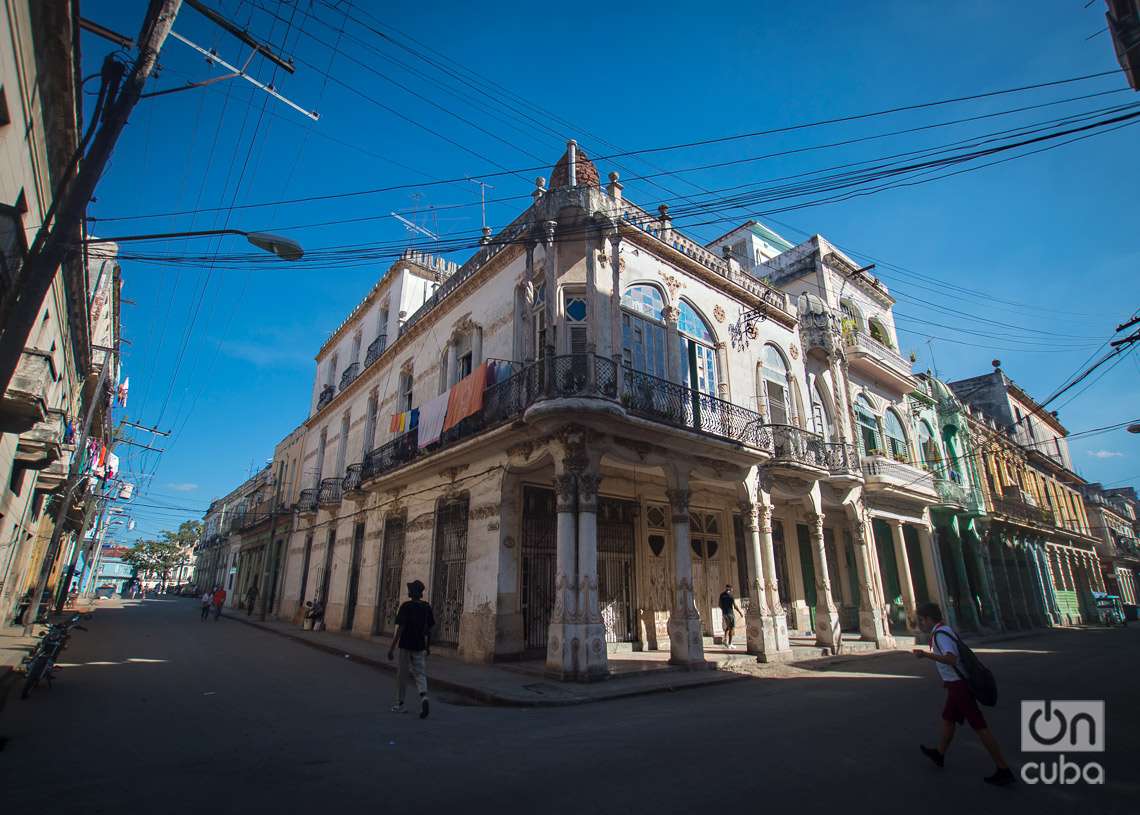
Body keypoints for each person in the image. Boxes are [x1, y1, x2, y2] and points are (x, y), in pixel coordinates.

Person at [913, 602, 1014, 786]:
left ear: (928, 619)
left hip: (959, 686)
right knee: (949, 718)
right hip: (955, 685)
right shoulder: (944, 630)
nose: (920, 624)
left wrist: (926, 655)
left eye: (921, 620)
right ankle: (940, 753)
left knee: (979, 725)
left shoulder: (940, 635)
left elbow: (951, 658)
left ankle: (1003, 767)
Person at [387, 579, 434, 719]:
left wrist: (392, 648)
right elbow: (429, 629)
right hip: (419, 645)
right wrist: (428, 646)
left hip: (406, 645)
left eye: (410, 590)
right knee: (420, 673)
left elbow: (400, 628)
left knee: (402, 674)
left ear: (413, 593)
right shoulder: (426, 607)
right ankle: (424, 697)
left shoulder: (406, 606)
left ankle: (400, 704)